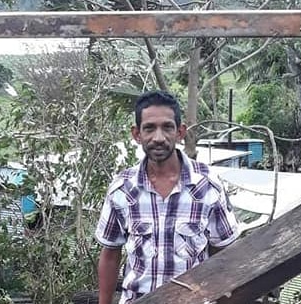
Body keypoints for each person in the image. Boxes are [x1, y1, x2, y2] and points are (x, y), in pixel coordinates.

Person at [95, 90, 240, 304]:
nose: (159, 138)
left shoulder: (208, 186)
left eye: (167, 127)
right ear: (137, 134)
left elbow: (224, 252)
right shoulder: (122, 189)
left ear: (180, 132)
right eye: (149, 128)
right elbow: (110, 253)